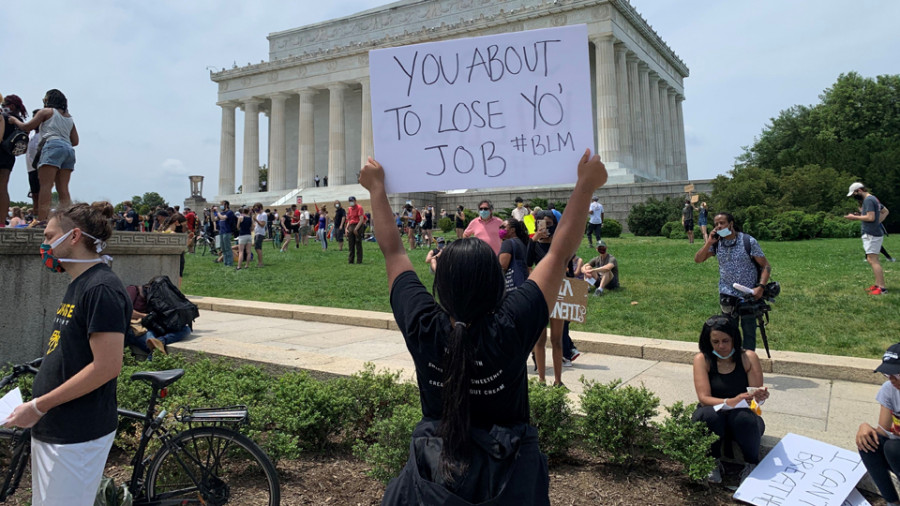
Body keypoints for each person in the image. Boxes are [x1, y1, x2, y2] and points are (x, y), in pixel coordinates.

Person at [360, 148, 608, 505]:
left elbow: (393, 252)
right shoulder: (510, 326)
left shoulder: (424, 325)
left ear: (440, 288)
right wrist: (585, 187)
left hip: (434, 480)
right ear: (497, 286)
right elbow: (558, 253)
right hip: (507, 479)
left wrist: (376, 190)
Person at [4, 201, 128, 505]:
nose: (44, 245)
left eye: (48, 236)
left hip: (76, 435)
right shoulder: (79, 283)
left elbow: (107, 366)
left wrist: (39, 406)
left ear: (73, 236)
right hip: (57, 428)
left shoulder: (101, 288)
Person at [691, 314, 768, 484]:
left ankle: (751, 464)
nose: (721, 346)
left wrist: (759, 398)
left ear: (734, 338)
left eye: (725, 341)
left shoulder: (748, 357)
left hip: (742, 417)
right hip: (714, 414)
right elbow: (704, 398)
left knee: (744, 418)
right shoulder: (702, 359)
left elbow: (755, 403)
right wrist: (729, 402)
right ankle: (712, 462)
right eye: (715, 342)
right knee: (707, 415)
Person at [694, 212, 771, 351]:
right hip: (727, 295)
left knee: (749, 333)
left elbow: (766, 266)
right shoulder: (717, 243)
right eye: (716, 224)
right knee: (729, 333)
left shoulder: (748, 242)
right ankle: (732, 364)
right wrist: (709, 242)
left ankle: (747, 365)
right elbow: (698, 259)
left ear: (731, 223)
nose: (718, 227)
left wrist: (760, 287)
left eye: (722, 223)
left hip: (748, 295)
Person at [10, 90, 79, 223]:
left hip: (52, 145)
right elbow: (75, 141)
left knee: (45, 186)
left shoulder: (46, 112)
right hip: (68, 150)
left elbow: (26, 127)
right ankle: (68, 221)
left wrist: (14, 121)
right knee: (63, 189)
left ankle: (42, 220)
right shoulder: (69, 117)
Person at [857, 343, 900, 506]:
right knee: (868, 443)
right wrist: (865, 428)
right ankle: (892, 502)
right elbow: (883, 432)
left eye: (896, 374)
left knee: (893, 448)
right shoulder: (889, 389)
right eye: (887, 374)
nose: (892, 380)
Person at [526, 210, 566, 387]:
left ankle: (558, 380)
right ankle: (541, 379)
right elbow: (526, 263)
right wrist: (534, 239)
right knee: (539, 339)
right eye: (542, 224)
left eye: (549, 224)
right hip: (540, 294)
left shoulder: (560, 244)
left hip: (558, 294)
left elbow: (568, 268)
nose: (546, 227)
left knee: (557, 339)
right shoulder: (534, 245)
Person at [845, 183, 888, 294]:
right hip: (873, 233)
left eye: (854, 194)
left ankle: (882, 288)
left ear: (859, 190)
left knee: (873, 260)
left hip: (872, 234)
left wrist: (854, 217)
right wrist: (876, 221)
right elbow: (885, 211)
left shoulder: (868, 200)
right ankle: (877, 284)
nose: (854, 197)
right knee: (871, 259)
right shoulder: (873, 199)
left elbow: (870, 217)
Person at [1, 95, 28, 227]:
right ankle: (1, 222)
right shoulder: (20, 121)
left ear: (11, 106)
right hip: (10, 156)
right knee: (3, 187)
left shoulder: (4, 117)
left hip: (0, 151)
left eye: (4, 104)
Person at [499, 218, 529, 293]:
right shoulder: (521, 243)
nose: (501, 229)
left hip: (510, 287)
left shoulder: (507, 243)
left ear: (512, 230)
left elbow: (502, 266)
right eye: (500, 227)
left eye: (503, 227)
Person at [346, 196, 367, 264]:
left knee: (358, 243)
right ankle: (350, 260)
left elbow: (361, 219)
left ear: (355, 201)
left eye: (352, 201)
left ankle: (359, 260)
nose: (351, 202)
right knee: (351, 244)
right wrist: (346, 228)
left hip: (358, 225)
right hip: (351, 225)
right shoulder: (349, 209)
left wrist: (356, 229)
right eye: (350, 201)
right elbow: (349, 220)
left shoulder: (359, 208)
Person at [219, 201, 236, 267]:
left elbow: (223, 218)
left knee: (227, 248)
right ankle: (225, 262)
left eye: (222, 204)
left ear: (226, 205)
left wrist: (217, 213)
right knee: (223, 248)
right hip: (221, 232)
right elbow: (213, 219)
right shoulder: (221, 213)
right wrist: (212, 212)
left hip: (227, 232)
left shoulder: (229, 212)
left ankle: (230, 263)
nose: (221, 206)